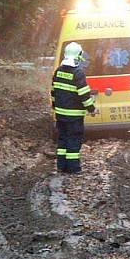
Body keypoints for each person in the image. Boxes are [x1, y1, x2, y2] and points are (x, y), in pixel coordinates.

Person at [51, 42, 95, 174]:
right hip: (74, 116)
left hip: (60, 115)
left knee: (62, 140)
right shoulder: (78, 73)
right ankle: (74, 168)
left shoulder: (58, 72)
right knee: (73, 140)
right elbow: (84, 95)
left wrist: (55, 107)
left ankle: (61, 166)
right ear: (79, 55)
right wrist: (91, 109)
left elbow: (53, 92)